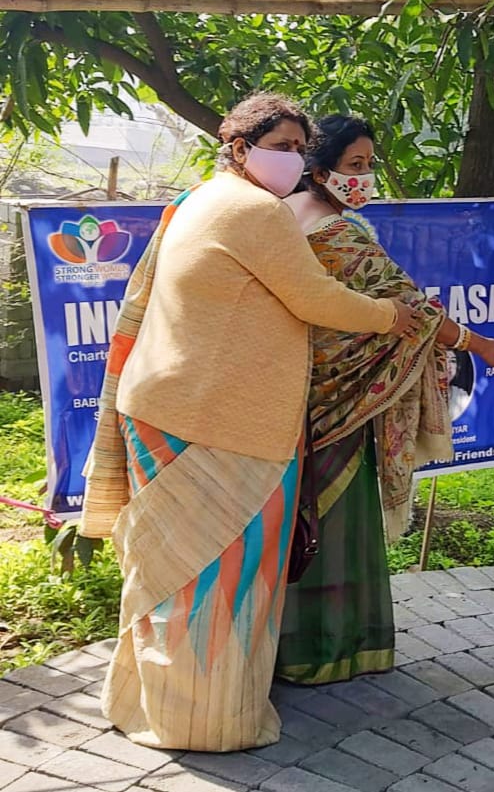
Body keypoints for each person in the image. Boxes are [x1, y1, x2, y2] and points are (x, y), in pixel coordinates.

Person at [79, 94, 424, 751]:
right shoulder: (257, 211)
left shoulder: (199, 198)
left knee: (169, 570)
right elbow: (314, 298)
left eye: (300, 148)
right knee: (221, 575)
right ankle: (206, 722)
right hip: (220, 422)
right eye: (282, 145)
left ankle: (144, 700)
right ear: (239, 147)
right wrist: (391, 317)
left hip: (165, 407)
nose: (293, 159)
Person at [279, 114, 494, 684]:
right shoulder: (339, 235)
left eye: (370, 166)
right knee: (336, 525)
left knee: (297, 520)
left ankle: (285, 643)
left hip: (295, 394)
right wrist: (481, 344)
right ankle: (329, 649)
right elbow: (412, 313)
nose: (364, 178)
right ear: (318, 171)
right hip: (345, 401)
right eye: (354, 166)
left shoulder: (281, 218)